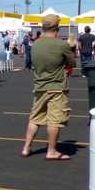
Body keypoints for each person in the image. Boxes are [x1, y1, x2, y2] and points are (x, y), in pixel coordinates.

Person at [21, 14, 76, 161]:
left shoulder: (35, 44)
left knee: (35, 117)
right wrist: (70, 52)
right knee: (55, 119)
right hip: (57, 86)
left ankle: (26, 147)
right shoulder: (61, 44)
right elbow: (72, 64)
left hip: (40, 85)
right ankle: (51, 151)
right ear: (58, 27)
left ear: (42, 27)